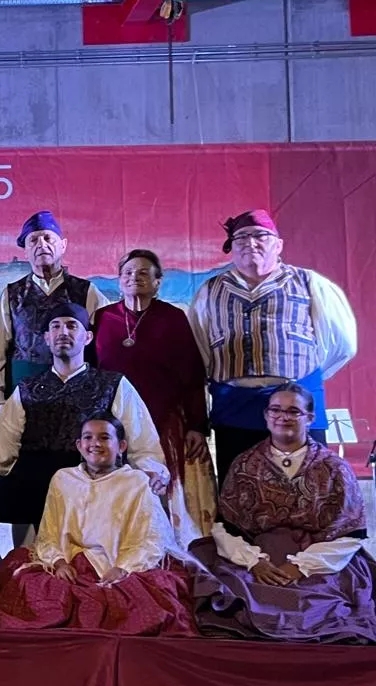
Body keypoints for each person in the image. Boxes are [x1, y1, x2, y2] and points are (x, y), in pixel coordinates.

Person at [189, 385, 376, 642]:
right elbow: (227, 527)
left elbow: (349, 534)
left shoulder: (335, 468)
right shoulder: (245, 464)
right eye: (275, 410)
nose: (283, 417)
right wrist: (255, 562)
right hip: (256, 558)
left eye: (293, 411)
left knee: (324, 608)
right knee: (235, 601)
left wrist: (302, 566)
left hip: (322, 560)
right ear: (266, 416)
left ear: (310, 418)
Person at [187, 209, 357, 486]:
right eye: (241, 237)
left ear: (278, 244)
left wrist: (298, 379)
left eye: (259, 236)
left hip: (298, 407)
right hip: (235, 408)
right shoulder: (211, 290)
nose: (249, 243)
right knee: (240, 488)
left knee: (309, 486)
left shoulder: (309, 283)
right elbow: (200, 346)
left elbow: (342, 344)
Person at [0, 415, 197, 635]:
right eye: (88, 438)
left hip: (120, 562)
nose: (95, 444)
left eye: (104, 437)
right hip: (71, 560)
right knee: (33, 592)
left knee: (140, 607)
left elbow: (152, 537)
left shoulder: (136, 482)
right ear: (79, 446)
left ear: (121, 446)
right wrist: (59, 563)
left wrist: (123, 568)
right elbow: (49, 532)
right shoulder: (63, 479)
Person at [0, 302, 165, 535]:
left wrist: (151, 470)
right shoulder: (28, 389)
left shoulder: (112, 384)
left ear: (87, 337)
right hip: (36, 490)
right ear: (46, 338)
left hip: (95, 487)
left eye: (72, 326)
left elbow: (141, 439)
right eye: (55, 327)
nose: (63, 332)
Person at [92, 249, 215, 536]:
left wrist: (197, 426)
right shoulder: (102, 319)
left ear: (158, 282)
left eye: (144, 272)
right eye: (128, 273)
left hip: (164, 421)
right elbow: (91, 373)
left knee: (166, 491)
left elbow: (193, 376)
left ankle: (171, 553)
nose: (135, 277)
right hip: (115, 424)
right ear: (119, 281)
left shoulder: (173, 319)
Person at [0, 211, 111, 413]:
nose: (41, 244)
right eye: (33, 240)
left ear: (63, 245)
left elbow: (108, 345)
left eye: (48, 238)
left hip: (78, 394)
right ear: (25, 251)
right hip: (24, 397)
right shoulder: (12, 295)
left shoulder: (86, 291)